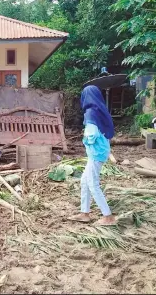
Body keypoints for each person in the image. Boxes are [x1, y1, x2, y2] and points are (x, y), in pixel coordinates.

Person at [69, 85, 116, 226]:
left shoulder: (90, 112)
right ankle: (85, 213)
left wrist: (84, 140)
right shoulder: (100, 110)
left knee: (92, 184)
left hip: (96, 153)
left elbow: (91, 134)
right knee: (84, 181)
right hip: (101, 151)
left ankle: (108, 216)